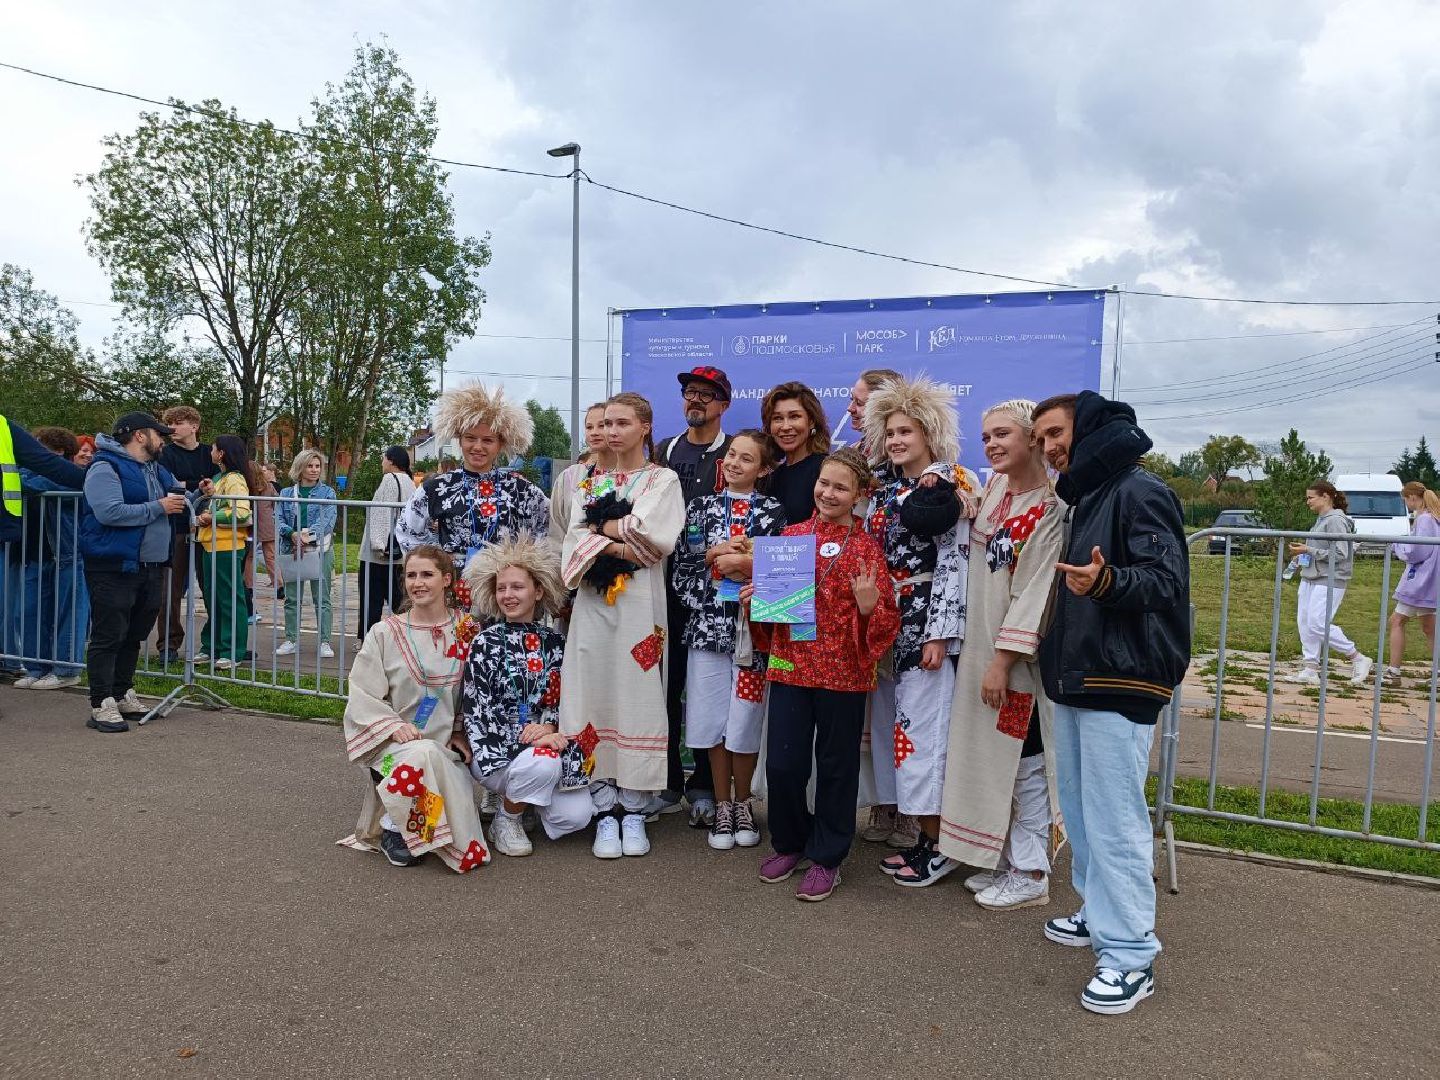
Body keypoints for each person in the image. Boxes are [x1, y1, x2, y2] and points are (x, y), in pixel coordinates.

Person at [1033, 390, 1189, 1015]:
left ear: (1090, 428)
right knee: (1080, 808)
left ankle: (1129, 955)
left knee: (1115, 817)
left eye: (1055, 432)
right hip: (1076, 677)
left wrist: (1107, 581)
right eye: (1040, 437)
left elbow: (1167, 580)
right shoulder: (1086, 498)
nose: (1048, 447)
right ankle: (1099, 914)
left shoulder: (1139, 490)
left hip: (1120, 680)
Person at [749, 447, 900, 902]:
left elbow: (886, 619)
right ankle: (790, 843)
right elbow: (771, 617)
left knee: (837, 767)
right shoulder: (791, 537)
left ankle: (828, 857)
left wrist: (871, 608)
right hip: (792, 666)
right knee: (784, 763)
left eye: (840, 487)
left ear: (859, 495)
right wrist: (760, 600)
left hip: (844, 674)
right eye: (823, 483)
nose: (828, 493)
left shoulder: (867, 549)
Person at [938, 399, 1066, 911]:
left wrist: (1003, 661)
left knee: (1025, 759)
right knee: (994, 762)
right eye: (986, 436)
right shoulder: (991, 490)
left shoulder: (1051, 510)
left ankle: (1032, 871)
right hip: (978, 651)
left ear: (1033, 439)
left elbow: (1035, 593)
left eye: (1002, 435)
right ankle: (1008, 857)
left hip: (1014, 664)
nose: (990, 444)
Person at [862, 376, 979, 886]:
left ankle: (938, 845)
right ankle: (925, 836)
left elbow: (955, 561)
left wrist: (940, 634)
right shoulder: (888, 491)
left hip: (924, 623)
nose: (896, 441)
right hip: (886, 623)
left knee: (922, 740)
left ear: (929, 432)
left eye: (906, 431)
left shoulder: (950, 483)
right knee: (898, 738)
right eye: (890, 433)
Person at [558, 392, 685, 859]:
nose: (611, 431)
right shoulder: (589, 483)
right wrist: (617, 533)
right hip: (593, 605)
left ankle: (635, 808)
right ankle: (603, 805)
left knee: (639, 692)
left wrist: (603, 533)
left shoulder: (663, 480)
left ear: (645, 427)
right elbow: (572, 544)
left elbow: (656, 541)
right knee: (590, 689)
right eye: (606, 423)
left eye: (621, 423)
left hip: (640, 610)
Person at [338, 545, 489, 872]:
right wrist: (393, 727)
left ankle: (410, 825)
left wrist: (461, 730)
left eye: (427, 574)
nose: (417, 583)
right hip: (393, 751)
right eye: (410, 575)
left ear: (446, 579)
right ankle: (396, 829)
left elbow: (476, 689)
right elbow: (362, 694)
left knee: (432, 757)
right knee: (420, 755)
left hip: (445, 750)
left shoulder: (467, 630)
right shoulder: (384, 633)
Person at [671, 429, 786, 850]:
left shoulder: (775, 512)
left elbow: (785, 576)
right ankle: (721, 804)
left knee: (746, 722)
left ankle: (744, 804)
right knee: (711, 721)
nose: (735, 463)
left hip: (753, 637)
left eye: (747, 459)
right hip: (707, 634)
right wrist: (713, 556)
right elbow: (682, 569)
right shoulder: (700, 508)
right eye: (732, 455)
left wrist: (750, 568)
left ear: (764, 469)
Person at [460, 535, 593, 856]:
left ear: (539, 591)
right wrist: (531, 742)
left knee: (577, 816)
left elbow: (571, 699)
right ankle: (507, 819)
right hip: (498, 753)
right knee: (543, 766)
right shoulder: (484, 642)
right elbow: (479, 713)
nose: (508, 595)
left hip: (549, 746)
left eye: (517, 587)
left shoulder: (557, 643)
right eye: (502, 588)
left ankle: (524, 801)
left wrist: (550, 729)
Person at [652, 365, 735, 825]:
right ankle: (666, 781)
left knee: (707, 693)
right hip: (662, 587)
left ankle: (705, 785)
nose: (695, 400)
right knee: (666, 685)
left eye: (707, 394)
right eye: (689, 392)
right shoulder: (663, 450)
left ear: (723, 404)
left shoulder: (734, 453)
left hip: (714, 597)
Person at [79, 412, 187, 732]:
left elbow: (178, 498)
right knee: (108, 635)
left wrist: (200, 494)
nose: (163, 440)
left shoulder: (156, 469)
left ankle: (122, 692)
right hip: (114, 566)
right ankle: (101, 703)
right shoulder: (105, 467)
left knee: (134, 635)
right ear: (140, 436)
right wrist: (159, 508)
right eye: (159, 434)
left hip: (151, 566)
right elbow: (109, 512)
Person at [394, 381, 549, 561]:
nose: (478, 446)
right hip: (452, 583)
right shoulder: (437, 488)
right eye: (470, 438)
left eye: (487, 440)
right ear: (459, 440)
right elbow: (407, 530)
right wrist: (438, 561)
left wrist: (523, 562)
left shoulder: (521, 489)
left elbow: (546, 527)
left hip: (503, 585)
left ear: (500, 445)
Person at [0, 414, 86, 679]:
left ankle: (63, 670)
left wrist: (97, 479)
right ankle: (36, 667)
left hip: (60, 552)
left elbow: (42, 473)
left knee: (63, 614)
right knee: (29, 614)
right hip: (28, 552)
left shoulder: (3, 427)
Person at [1283, 480, 1371, 685]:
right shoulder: (1321, 519)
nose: (1307, 502)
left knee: (1316, 622)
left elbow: (1341, 553)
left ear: (1325, 497)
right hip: (1311, 576)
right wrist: (1303, 554)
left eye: (1310, 497)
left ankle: (1357, 657)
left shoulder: (1335, 520)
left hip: (1331, 578)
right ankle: (1310, 668)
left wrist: (1308, 550)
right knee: (1304, 622)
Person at [193, 436, 256, 669]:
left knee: (229, 598)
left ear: (221, 454)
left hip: (228, 545)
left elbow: (241, 513)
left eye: (213, 448)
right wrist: (210, 493)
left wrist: (212, 517)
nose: (210, 450)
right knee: (212, 598)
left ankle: (232, 650)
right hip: (211, 544)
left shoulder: (236, 480)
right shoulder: (221, 478)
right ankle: (212, 646)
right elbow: (220, 504)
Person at [156, 406, 211, 662]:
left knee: (212, 587)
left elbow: (220, 482)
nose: (172, 429)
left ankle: (218, 643)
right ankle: (168, 644)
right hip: (176, 528)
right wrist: (196, 486)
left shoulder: (209, 453)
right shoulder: (165, 454)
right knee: (170, 590)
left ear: (194, 426)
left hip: (208, 529)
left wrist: (186, 485)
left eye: (177, 423)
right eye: (169, 424)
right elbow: (168, 484)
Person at [276, 449, 338, 660]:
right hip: (291, 549)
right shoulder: (285, 493)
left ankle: (324, 641)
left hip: (319, 549)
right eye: (310, 466)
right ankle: (291, 639)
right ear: (300, 467)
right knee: (292, 598)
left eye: (317, 466)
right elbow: (278, 519)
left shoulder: (328, 492)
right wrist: (291, 533)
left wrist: (306, 536)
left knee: (322, 597)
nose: (314, 470)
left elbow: (328, 520)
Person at [359, 446, 417, 642]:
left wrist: (378, 543)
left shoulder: (389, 479)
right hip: (400, 551)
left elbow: (380, 513)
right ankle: (408, 636)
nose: (382, 462)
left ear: (391, 461)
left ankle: (368, 639)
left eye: (384, 458)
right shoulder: (410, 482)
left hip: (380, 553)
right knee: (399, 599)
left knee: (371, 599)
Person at [1384, 481, 1440, 682]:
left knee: (1397, 621)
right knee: (1430, 628)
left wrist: (1398, 546)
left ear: (1411, 498)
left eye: (1406, 500)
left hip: (1420, 579)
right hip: (1432, 579)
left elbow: (1418, 551)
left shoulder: (1423, 519)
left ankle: (1393, 672)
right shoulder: (1434, 517)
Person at [761, 382, 831, 528]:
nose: (785, 427)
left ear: (811, 421)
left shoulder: (826, 469)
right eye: (777, 418)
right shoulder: (770, 479)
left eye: (794, 416)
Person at [549, 402, 614, 540]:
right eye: (589, 427)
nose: (594, 432)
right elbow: (557, 530)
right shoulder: (570, 477)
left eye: (602, 425)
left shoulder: (633, 477)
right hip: (572, 557)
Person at [846, 368, 902, 450]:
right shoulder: (854, 451)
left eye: (859, 403)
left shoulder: (900, 455)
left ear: (885, 407)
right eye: (852, 399)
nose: (850, 408)